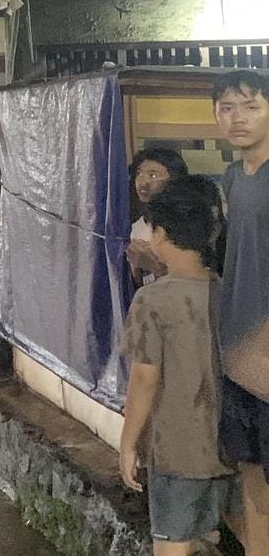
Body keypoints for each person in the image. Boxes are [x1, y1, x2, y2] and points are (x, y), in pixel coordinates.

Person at [119, 178, 232, 555]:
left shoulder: (152, 299)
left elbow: (143, 378)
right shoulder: (227, 291)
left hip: (177, 450)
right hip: (230, 448)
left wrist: (128, 443)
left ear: (161, 234)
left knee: (172, 545)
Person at [212, 70, 269, 556]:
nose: (238, 118)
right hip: (238, 353)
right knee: (249, 466)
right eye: (227, 108)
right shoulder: (232, 177)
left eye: (250, 106)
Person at [127, 147, 189, 286]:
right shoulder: (136, 226)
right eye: (139, 174)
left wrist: (153, 265)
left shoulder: (187, 224)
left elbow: (193, 281)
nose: (143, 182)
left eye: (153, 175)